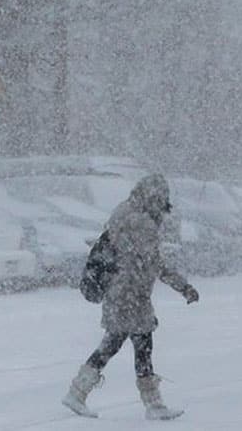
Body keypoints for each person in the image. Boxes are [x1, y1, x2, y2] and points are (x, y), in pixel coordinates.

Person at [62, 174, 199, 421]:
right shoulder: (142, 223)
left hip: (121, 293)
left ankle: (78, 392)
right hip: (130, 296)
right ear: (155, 198)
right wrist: (183, 286)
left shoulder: (124, 212)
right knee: (138, 346)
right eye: (161, 199)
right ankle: (152, 404)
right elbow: (154, 263)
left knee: (118, 344)